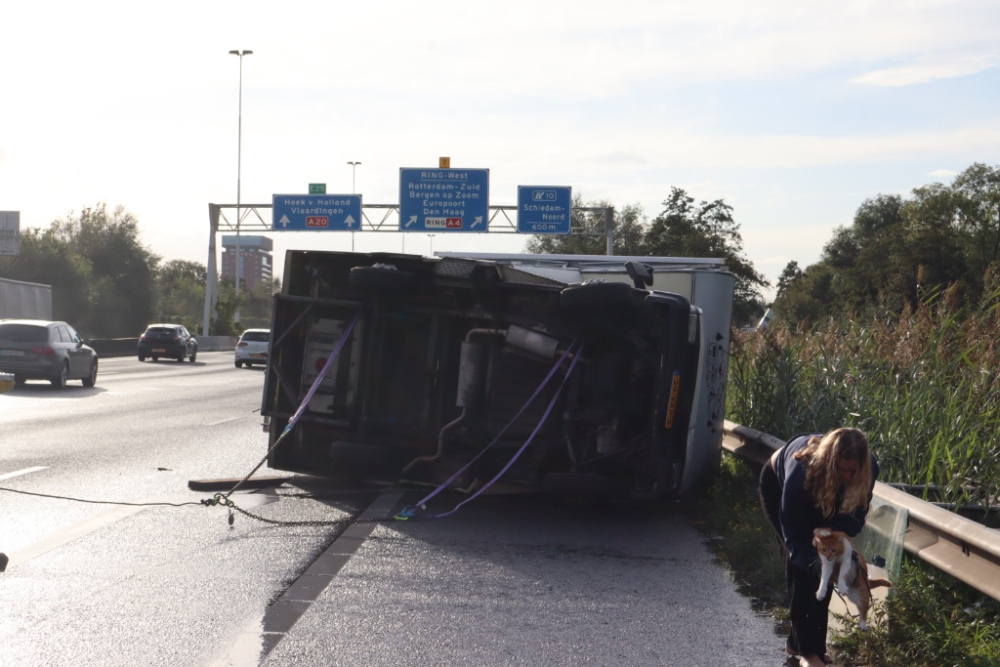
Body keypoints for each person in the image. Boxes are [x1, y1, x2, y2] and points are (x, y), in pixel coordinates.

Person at [758, 428, 879, 667]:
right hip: (779, 487)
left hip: (826, 494)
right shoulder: (801, 472)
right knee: (804, 566)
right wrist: (809, 545)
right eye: (841, 469)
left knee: (828, 564)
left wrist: (835, 532)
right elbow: (794, 536)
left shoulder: (867, 471)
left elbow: (856, 514)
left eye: (851, 471)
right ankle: (807, 652)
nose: (846, 475)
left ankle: (802, 644)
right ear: (830, 462)